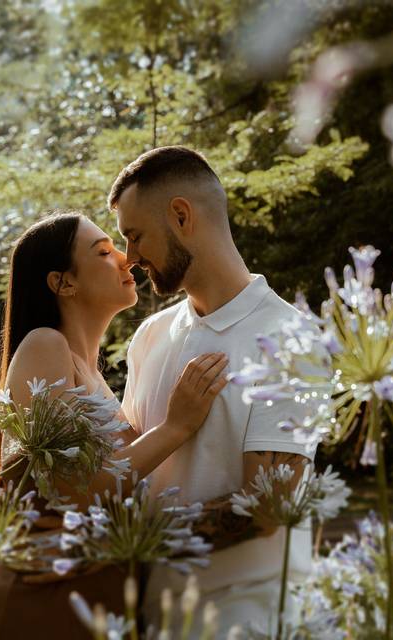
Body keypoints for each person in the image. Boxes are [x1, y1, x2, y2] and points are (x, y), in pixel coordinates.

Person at [0, 211, 228, 640]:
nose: (127, 260)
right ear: (63, 283)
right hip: (45, 602)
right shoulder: (44, 345)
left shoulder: (98, 382)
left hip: (97, 595)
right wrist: (175, 427)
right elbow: (70, 486)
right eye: (104, 252)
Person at [111, 146, 315, 636]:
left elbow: (267, 507)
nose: (131, 258)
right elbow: (128, 469)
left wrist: (133, 539)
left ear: (181, 215)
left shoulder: (292, 338)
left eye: (135, 237)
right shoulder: (150, 336)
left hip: (248, 618)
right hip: (152, 614)